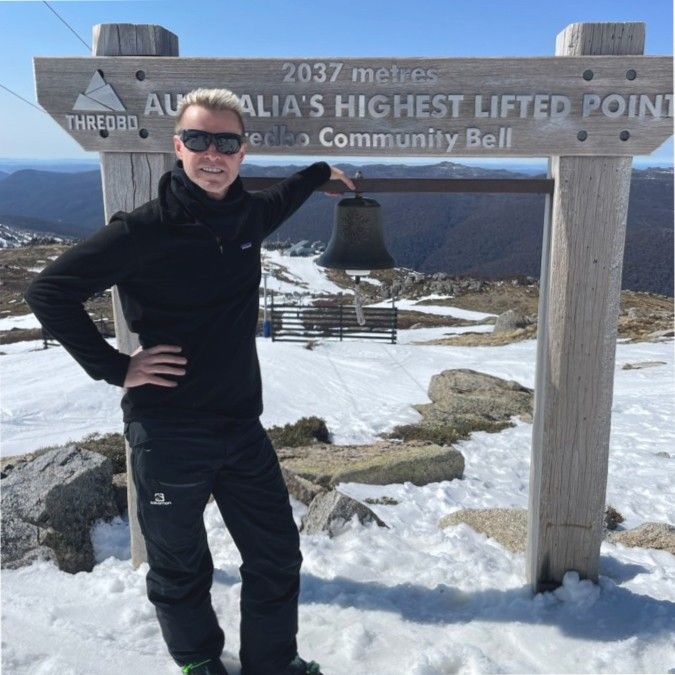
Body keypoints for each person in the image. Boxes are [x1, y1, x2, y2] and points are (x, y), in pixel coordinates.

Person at [24, 87, 355, 675]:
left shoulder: (248, 215)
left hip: (240, 427)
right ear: (178, 147)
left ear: (241, 152)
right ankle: (198, 662)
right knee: (180, 564)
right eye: (198, 140)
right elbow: (49, 290)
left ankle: (271, 665)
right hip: (167, 429)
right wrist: (116, 366)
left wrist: (320, 172)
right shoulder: (142, 230)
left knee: (277, 555)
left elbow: (284, 196)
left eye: (225, 142)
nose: (212, 154)